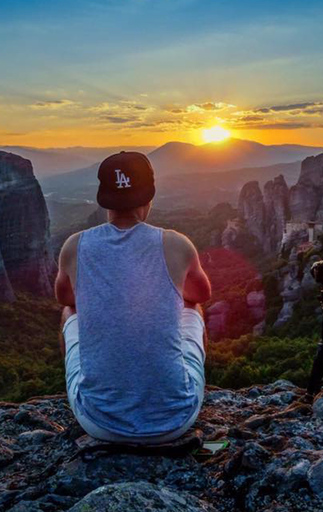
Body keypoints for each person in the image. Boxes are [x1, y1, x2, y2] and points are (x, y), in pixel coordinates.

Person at [55, 151, 212, 444]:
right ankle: (171, 389)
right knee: (192, 307)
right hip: (177, 421)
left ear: (103, 198)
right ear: (149, 197)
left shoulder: (75, 245)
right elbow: (201, 294)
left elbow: (65, 297)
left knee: (68, 314)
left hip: (98, 423)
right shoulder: (176, 243)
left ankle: (102, 389)